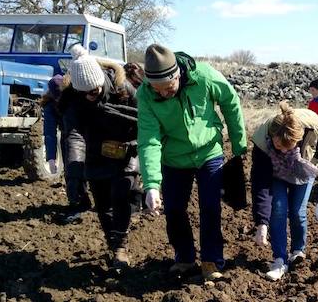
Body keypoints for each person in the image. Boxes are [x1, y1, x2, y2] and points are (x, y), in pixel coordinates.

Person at [137, 43, 247, 282]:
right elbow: (149, 141)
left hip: (209, 151)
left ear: (178, 75)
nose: (163, 93)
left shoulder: (205, 76)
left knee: (210, 207)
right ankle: (184, 258)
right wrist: (152, 185)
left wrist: (239, 147)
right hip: (173, 157)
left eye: (168, 88)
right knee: (174, 210)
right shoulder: (145, 95)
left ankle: (211, 261)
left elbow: (231, 101)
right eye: (158, 89)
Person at [59, 45, 139, 270]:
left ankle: (121, 246)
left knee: (121, 194)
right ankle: (114, 246)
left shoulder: (123, 88)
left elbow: (145, 121)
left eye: (94, 91)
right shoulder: (73, 100)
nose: (90, 97)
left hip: (126, 148)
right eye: (85, 93)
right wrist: (75, 173)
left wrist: (135, 148)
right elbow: (74, 135)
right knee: (103, 204)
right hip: (96, 151)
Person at [250, 102, 318, 281]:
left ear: (298, 138)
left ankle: (298, 251)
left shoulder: (312, 128)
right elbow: (261, 183)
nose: (283, 150)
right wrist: (261, 222)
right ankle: (279, 260)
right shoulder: (262, 142)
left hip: (303, 168)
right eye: (278, 146)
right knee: (278, 210)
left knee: (297, 211)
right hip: (275, 174)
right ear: (271, 137)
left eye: (288, 146)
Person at [43, 73, 92, 223]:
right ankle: (78, 202)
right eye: (56, 97)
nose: (59, 100)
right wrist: (51, 157)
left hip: (88, 134)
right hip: (68, 137)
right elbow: (50, 132)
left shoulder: (78, 98)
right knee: (71, 171)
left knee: (88, 169)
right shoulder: (50, 106)